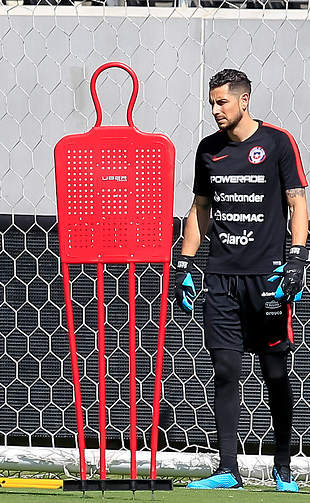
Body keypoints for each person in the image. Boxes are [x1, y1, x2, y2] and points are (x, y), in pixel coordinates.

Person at [174, 69, 307, 492]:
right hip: (221, 279)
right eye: (212, 103)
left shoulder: (277, 142)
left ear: (244, 101)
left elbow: (296, 201)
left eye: (222, 102)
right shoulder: (207, 150)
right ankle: (227, 468)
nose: (215, 110)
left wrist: (298, 257)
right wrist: (185, 263)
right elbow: (199, 209)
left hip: (268, 279)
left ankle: (282, 465)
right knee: (226, 369)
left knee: (274, 373)